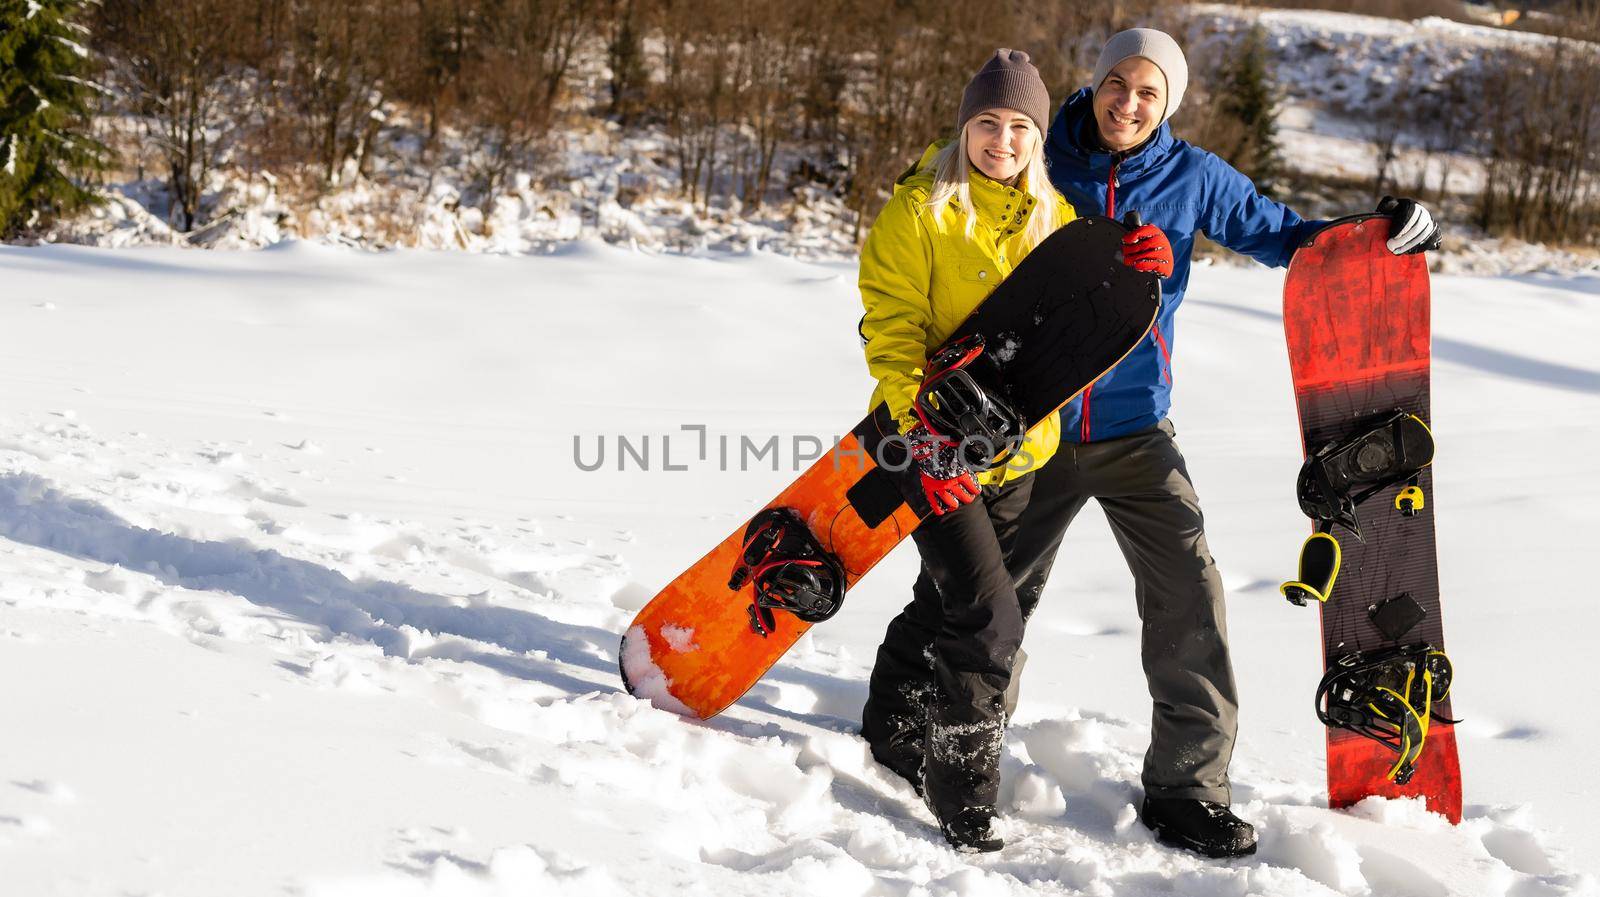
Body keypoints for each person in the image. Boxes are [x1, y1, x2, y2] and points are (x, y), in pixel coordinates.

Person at [997, 28, 1443, 859]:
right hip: (1037, 423)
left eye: (1149, 93)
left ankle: (1187, 788)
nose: (1128, 103)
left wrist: (1384, 230)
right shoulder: (1034, 156)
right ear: (1092, 84)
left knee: (1190, 599)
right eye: (1117, 84)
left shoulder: (1193, 177)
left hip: (1135, 427)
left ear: (1169, 104)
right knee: (993, 597)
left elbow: (1290, 238)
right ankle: (958, 739)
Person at [856, 49, 1164, 853]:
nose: (1003, 140)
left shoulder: (1054, 221)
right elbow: (891, 334)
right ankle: (959, 790)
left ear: (1036, 136)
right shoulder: (919, 213)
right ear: (964, 128)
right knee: (992, 618)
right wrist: (924, 435)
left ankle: (889, 722)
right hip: (923, 447)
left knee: (946, 598)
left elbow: (1078, 340)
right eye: (987, 123)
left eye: (1020, 126)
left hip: (1018, 459)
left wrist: (1139, 271)